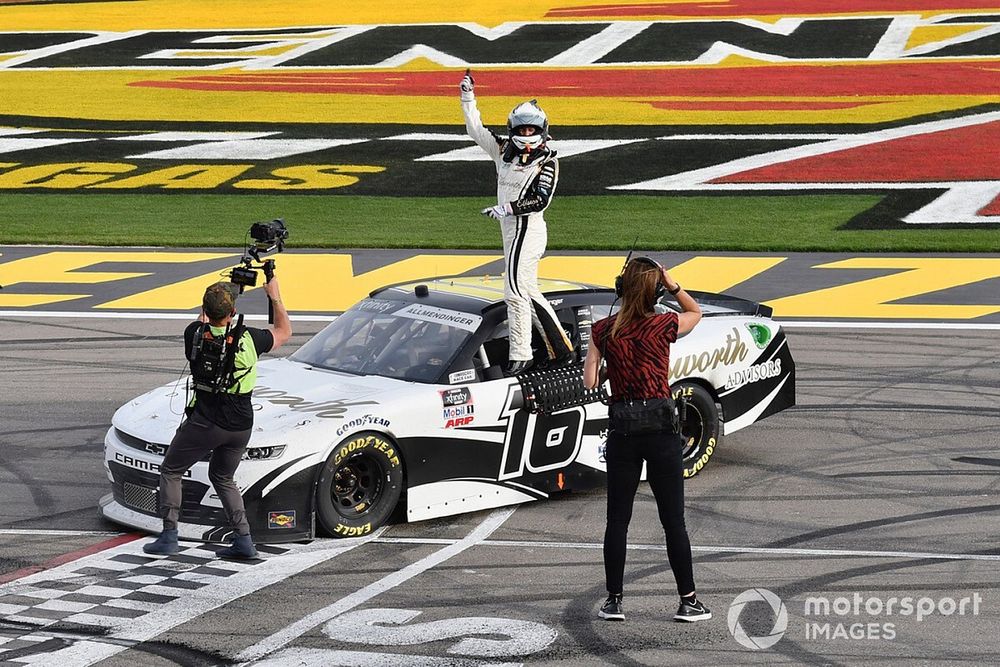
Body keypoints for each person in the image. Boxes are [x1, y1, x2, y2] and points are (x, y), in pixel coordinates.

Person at [583, 256, 710, 622]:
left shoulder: (602, 330)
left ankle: (613, 600)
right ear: (654, 290)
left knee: (617, 520)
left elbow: (590, 382)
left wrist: (610, 365)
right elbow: (696, 312)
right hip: (660, 431)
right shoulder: (663, 324)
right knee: (674, 521)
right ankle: (688, 600)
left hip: (624, 431)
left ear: (621, 289)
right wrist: (673, 284)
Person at [143, 277, 292, 559]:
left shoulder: (194, 334)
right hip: (240, 425)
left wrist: (217, 299)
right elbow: (284, 331)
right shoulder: (251, 338)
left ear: (204, 310)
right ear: (233, 313)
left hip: (205, 422)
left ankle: (169, 535)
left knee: (171, 471)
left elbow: (204, 322)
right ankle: (244, 540)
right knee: (223, 477)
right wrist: (274, 296)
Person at [460, 69, 573, 375]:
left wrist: (507, 209)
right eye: (520, 130)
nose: (525, 136)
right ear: (512, 130)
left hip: (528, 229)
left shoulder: (548, 160)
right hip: (510, 230)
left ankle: (521, 355)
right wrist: (468, 97)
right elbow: (475, 130)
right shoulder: (502, 151)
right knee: (528, 290)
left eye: (530, 130)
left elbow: (541, 200)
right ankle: (562, 348)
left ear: (542, 130)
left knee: (513, 290)